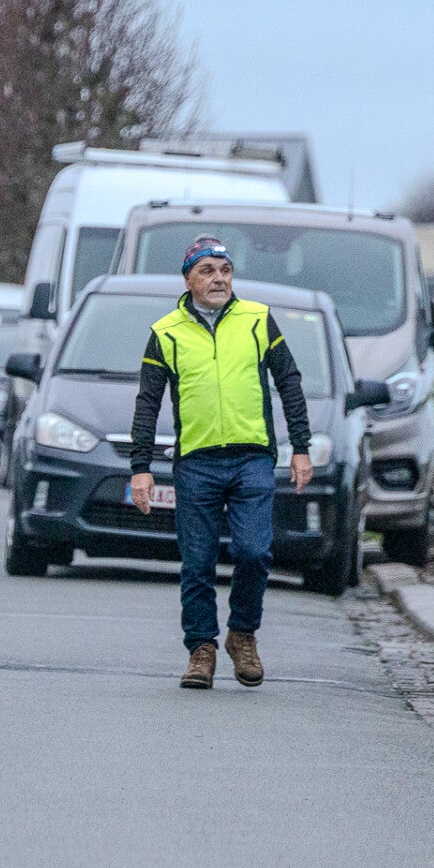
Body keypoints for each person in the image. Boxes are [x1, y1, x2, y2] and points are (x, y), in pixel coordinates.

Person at [128, 235, 312, 690]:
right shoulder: (165, 332)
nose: (218, 279)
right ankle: (201, 649)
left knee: (254, 552)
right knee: (197, 562)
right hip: (197, 462)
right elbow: (148, 403)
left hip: (252, 458)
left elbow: (289, 380)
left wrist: (301, 446)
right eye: (207, 271)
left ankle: (242, 634)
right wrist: (141, 467)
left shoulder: (258, 320)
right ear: (188, 279)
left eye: (225, 271)